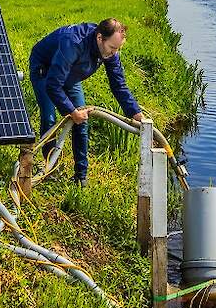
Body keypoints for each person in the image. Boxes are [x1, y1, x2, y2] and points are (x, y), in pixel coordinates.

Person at [29, 18, 144, 186]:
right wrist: (71, 111)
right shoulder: (73, 42)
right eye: (112, 48)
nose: (114, 53)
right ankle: (49, 170)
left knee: (82, 121)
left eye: (118, 49)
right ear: (99, 38)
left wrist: (135, 112)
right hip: (46, 72)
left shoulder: (110, 51)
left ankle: (81, 177)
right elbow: (53, 85)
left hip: (71, 74)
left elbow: (118, 85)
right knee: (50, 119)